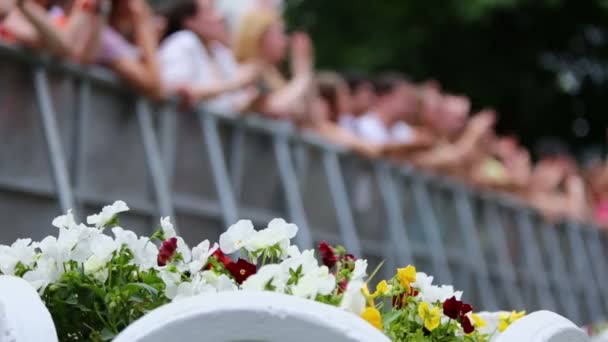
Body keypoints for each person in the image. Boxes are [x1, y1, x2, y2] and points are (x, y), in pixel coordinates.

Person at [159, 0, 256, 113]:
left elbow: (230, 106)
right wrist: (234, 84)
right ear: (189, 21)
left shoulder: (219, 51)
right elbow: (174, 89)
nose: (220, 16)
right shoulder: (183, 41)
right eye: (210, 10)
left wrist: (251, 97)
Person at [233, 9, 315, 120]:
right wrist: (302, 75)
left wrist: (304, 69)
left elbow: (306, 115)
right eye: (280, 33)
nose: (286, 40)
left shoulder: (272, 76)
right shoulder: (249, 71)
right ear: (260, 36)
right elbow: (274, 108)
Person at [356, 72, 433, 158]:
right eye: (405, 98)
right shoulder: (361, 124)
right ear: (385, 96)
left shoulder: (403, 129)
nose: (410, 105)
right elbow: (374, 150)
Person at [97, 0, 163, 98]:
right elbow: (155, 87)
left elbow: (161, 89)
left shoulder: (113, 37)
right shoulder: (104, 37)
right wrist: (143, 26)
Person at [1, 0, 102, 62]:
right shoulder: (12, 10)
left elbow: (79, 54)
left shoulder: (55, 15)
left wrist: (87, 8)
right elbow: (63, 45)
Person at [312, 71, 380, 157]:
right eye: (343, 94)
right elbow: (368, 148)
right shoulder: (319, 127)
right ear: (329, 101)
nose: (348, 98)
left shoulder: (344, 122)